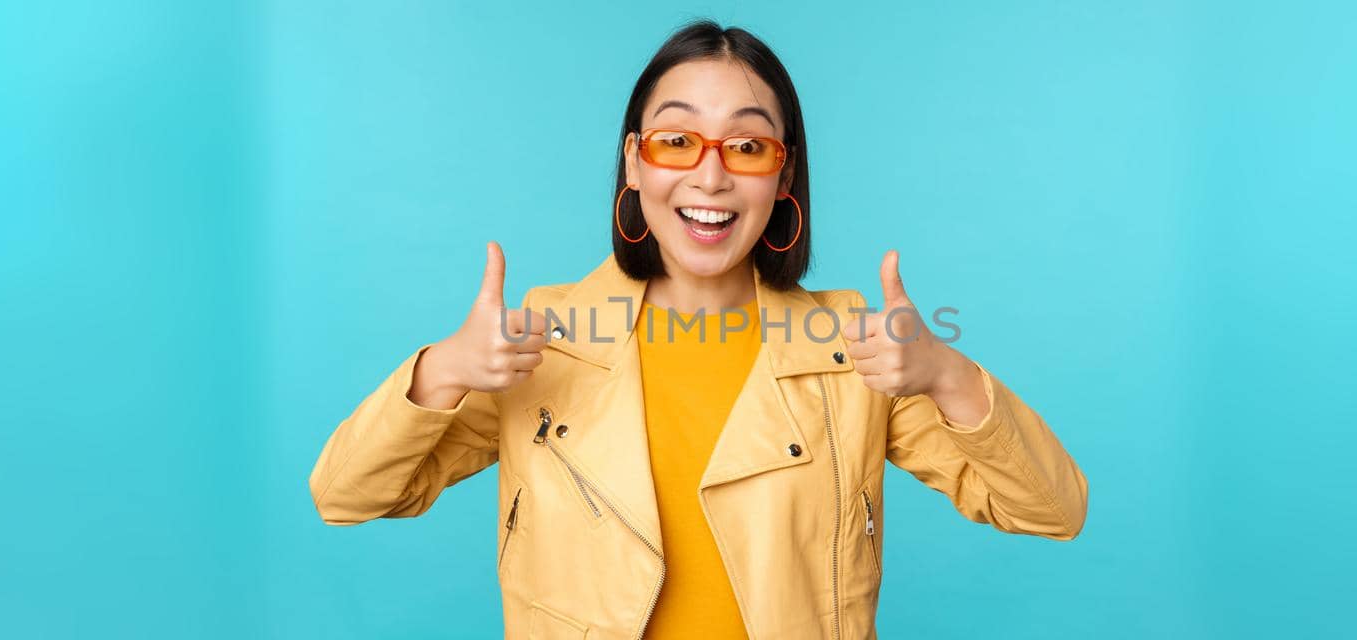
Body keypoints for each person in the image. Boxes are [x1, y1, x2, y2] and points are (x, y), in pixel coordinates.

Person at [307, 19, 1088, 640]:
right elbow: (345, 495)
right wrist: (442, 370)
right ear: (635, 163)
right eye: (676, 140)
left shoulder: (856, 346)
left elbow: (1054, 511)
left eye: (747, 147)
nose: (709, 176)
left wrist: (948, 375)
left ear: (782, 176)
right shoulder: (545, 334)